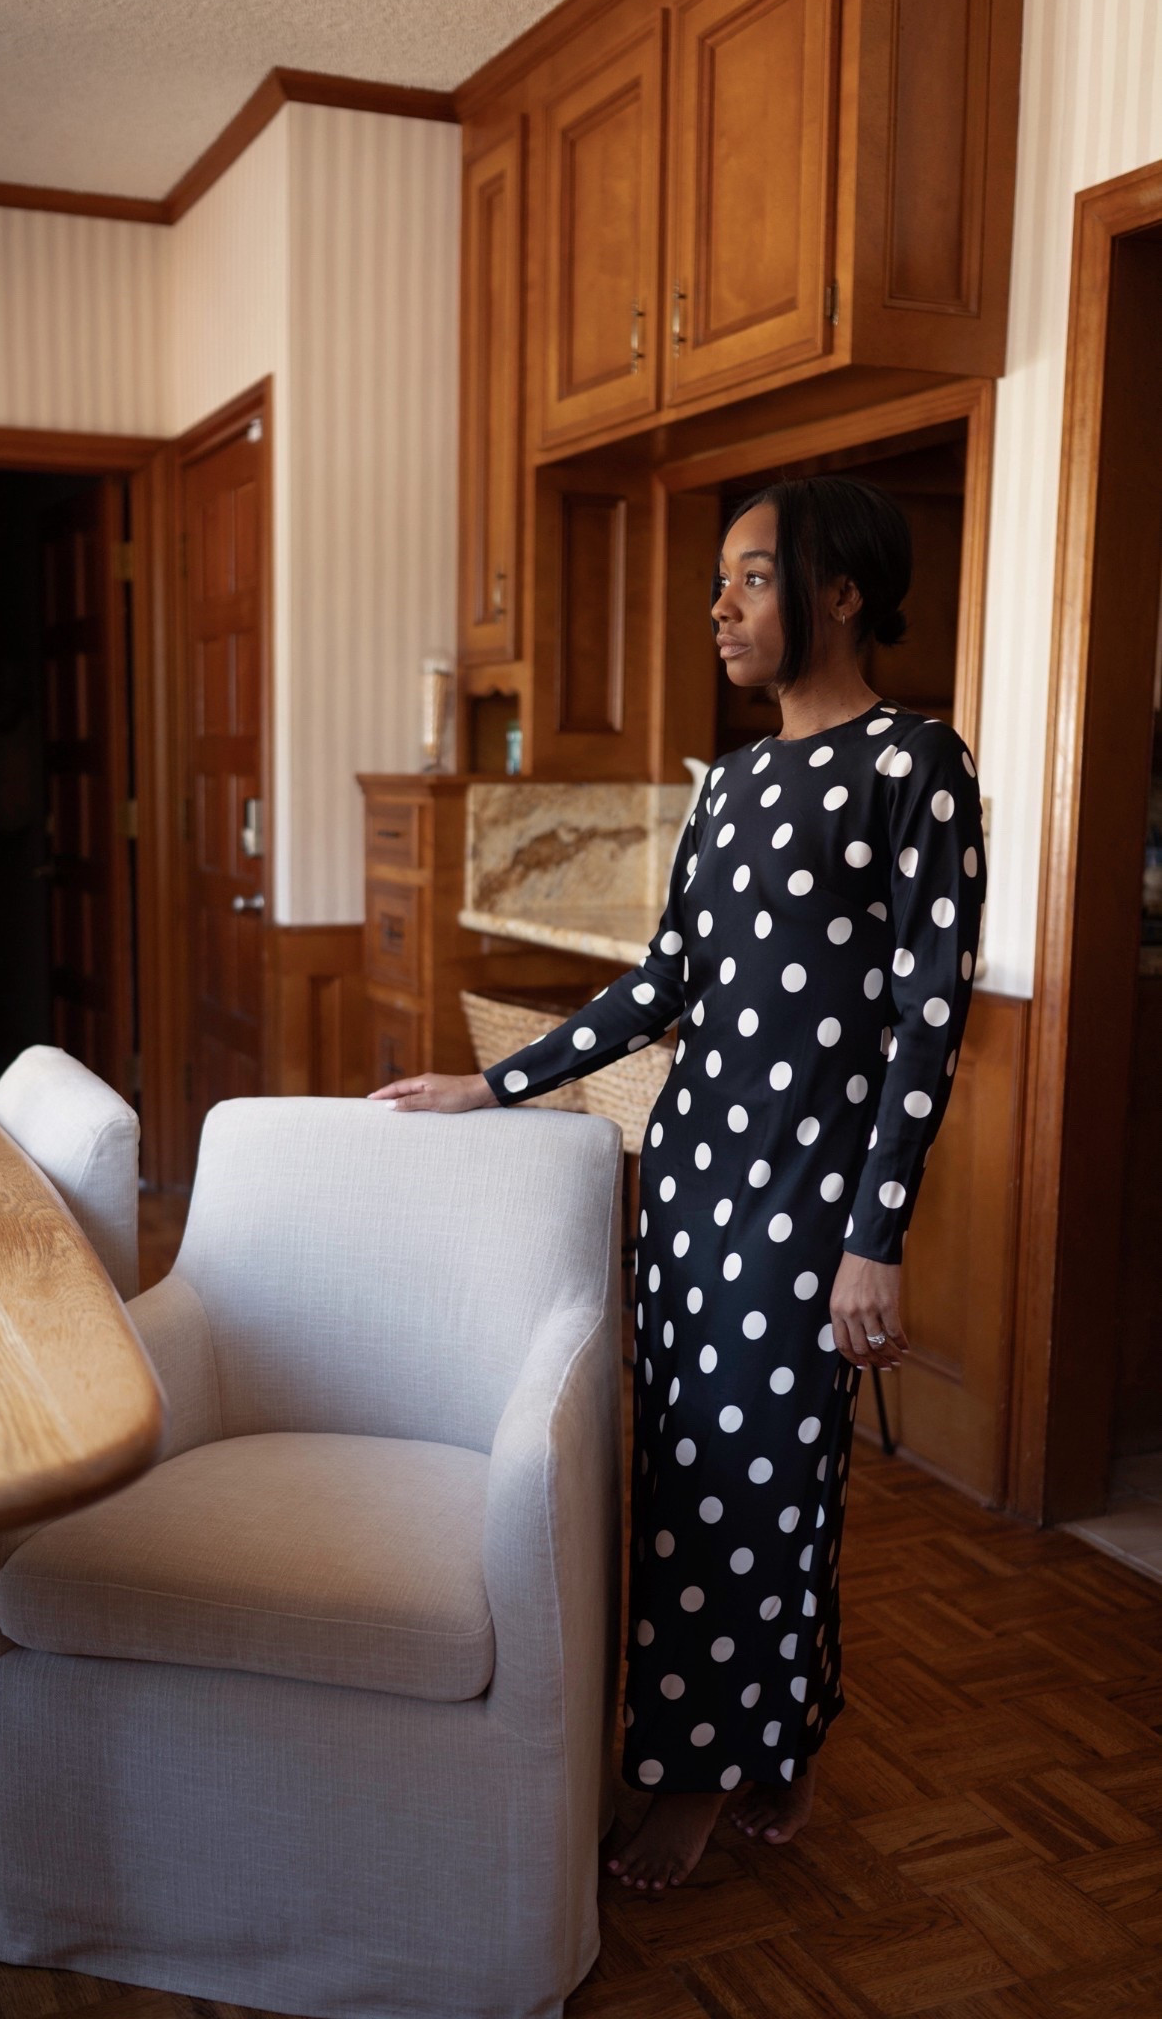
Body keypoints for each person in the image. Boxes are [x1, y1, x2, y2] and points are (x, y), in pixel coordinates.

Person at [368, 476, 986, 1895]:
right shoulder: (737, 783)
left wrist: (872, 1241)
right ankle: (760, 1744)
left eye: (752, 579)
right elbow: (665, 983)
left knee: (772, 1478)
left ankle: (714, 1771)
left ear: (841, 591)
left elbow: (925, 1022)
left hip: (808, 1209)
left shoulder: (916, 766)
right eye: (722, 580)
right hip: (693, 1183)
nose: (721, 605)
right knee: (691, 1477)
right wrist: (500, 1080)